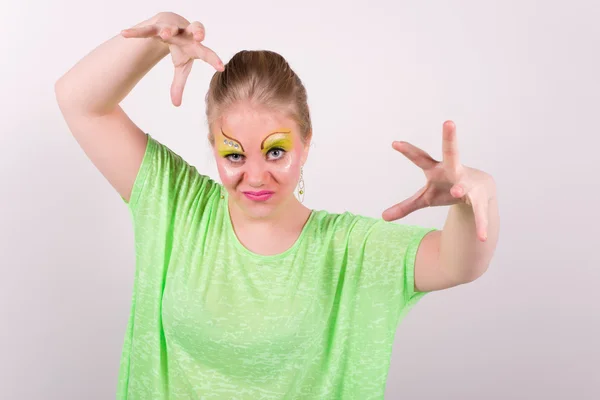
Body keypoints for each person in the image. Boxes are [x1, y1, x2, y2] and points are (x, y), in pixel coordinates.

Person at [55, 11, 499, 400]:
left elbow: (457, 264)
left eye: (274, 152)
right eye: (234, 155)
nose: (254, 176)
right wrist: (158, 37)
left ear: (305, 144)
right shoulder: (178, 205)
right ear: (213, 148)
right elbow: (79, 102)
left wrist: (471, 199)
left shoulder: (347, 250)